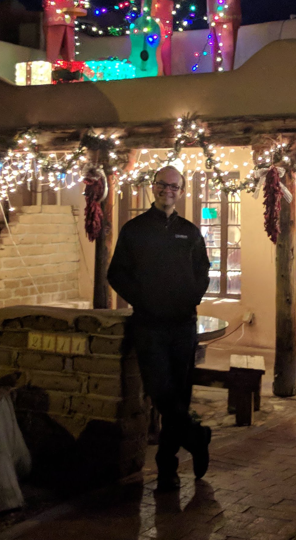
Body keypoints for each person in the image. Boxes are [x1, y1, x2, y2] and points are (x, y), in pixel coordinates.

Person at [107, 166, 212, 491]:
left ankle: (168, 468)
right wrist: (145, 300)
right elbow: (116, 274)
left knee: (179, 393)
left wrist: (188, 299)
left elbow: (203, 272)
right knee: (161, 392)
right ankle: (196, 437)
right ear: (153, 188)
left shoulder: (190, 232)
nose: (169, 190)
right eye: (163, 185)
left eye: (175, 186)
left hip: (182, 325)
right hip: (149, 325)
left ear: (181, 192)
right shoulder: (135, 230)